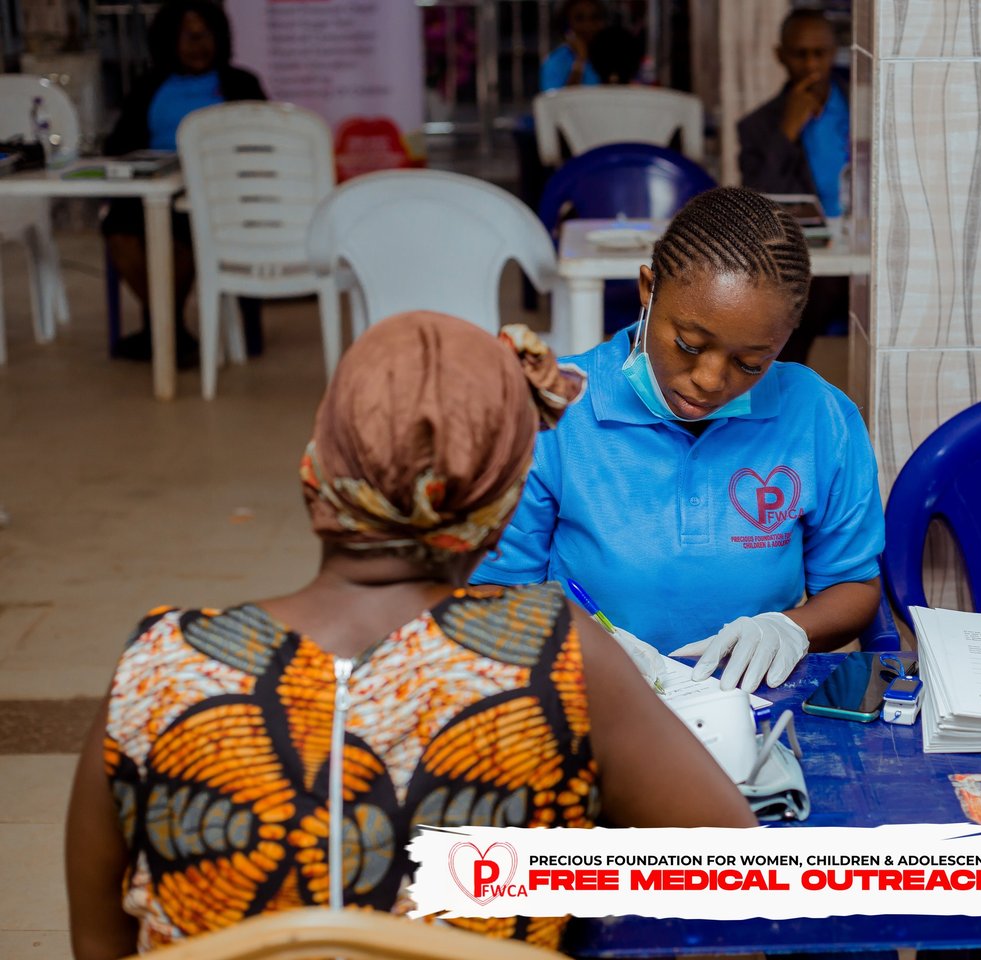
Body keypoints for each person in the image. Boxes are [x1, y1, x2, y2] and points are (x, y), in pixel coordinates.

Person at [65, 312, 756, 960]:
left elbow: (99, 945)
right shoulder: (555, 656)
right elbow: (732, 864)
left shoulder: (158, 666)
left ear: (316, 466)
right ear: (502, 504)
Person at [473, 187, 884, 694]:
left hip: (749, 701)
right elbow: (491, 592)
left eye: (750, 363)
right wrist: (570, 640)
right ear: (648, 289)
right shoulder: (553, 413)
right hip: (586, 690)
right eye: (689, 344)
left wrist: (791, 629)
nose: (710, 380)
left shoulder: (820, 416)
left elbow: (854, 586)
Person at [102, 0, 266, 365]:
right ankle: (169, 328)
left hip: (219, 194)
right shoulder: (149, 86)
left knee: (184, 231)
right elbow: (118, 145)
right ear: (168, 41)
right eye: (187, 37)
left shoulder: (241, 84)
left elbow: (263, 143)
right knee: (119, 230)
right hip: (153, 187)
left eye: (204, 35)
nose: (197, 45)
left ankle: (160, 331)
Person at [738, 8, 850, 365]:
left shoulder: (863, 107)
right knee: (791, 299)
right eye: (801, 54)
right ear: (781, 56)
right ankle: (789, 384)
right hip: (808, 254)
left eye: (820, 53)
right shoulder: (757, 127)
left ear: (834, 53)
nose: (811, 65)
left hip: (863, 244)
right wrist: (786, 132)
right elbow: (757, 201)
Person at [540, 0, 606, 91]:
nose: (588, 25)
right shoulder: (555, 62)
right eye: (579, 18)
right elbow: (561, 99)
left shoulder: (613, 56)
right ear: (566, 24)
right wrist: (580, 59)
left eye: (594, 18)